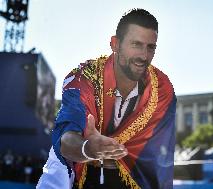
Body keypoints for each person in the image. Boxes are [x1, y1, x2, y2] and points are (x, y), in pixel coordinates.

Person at [37, 8, 176, 189]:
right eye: (136, 44)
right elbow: (66, 138)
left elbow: (158, 157)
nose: (144, 56)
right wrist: (88, 148)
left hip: (130, 178)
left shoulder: (162, 88)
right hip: (77, 172)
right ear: (115, 44)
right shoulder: (84, 78)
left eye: (151, 47)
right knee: (57, 167)